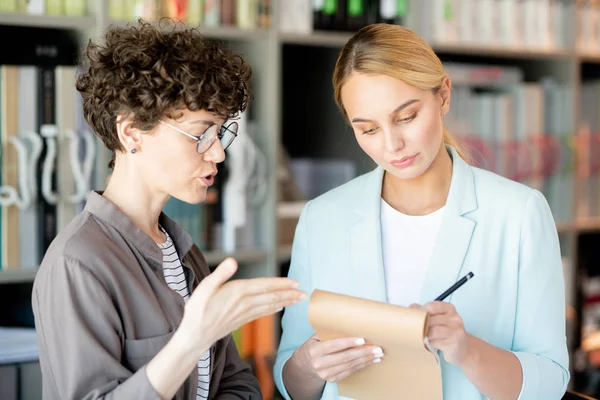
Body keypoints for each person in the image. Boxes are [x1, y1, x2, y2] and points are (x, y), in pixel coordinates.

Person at [274, 23, 570, 400]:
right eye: (368, 130)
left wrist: (467, 351)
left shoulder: (518, 214)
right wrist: (308, 364)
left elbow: (551, 382)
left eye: (406, 117)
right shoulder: (321, 219)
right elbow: (291, 384)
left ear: (443, 95)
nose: (392, 145)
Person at [31, 20, 306, 400]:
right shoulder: (77, 263)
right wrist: (192, 340)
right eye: (202, 133)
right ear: (131, 133)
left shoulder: (183, 252)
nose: (218, 152)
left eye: (221, 132)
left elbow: (237, 384)